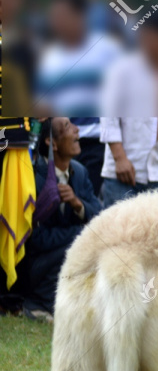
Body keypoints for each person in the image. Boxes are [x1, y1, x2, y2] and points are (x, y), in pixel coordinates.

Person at [36, 0, 121, 197]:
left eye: (63, 16)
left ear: (80, 16)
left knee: (86, 199)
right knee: (64, 200)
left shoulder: (107, 49)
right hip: (63, 145)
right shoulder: (50, 57)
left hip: (97, 142)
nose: (57, 22)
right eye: (54, 17)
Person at [23, 118, 102, 321]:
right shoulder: (36, 178)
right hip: (39, 265)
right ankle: (37, 304)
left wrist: (79, 205)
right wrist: (78, 235)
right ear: (53, 143)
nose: (77, 129)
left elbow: (100, 216)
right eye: (67, 126)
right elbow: (35, 239)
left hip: (71, 254)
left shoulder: (80, 171)